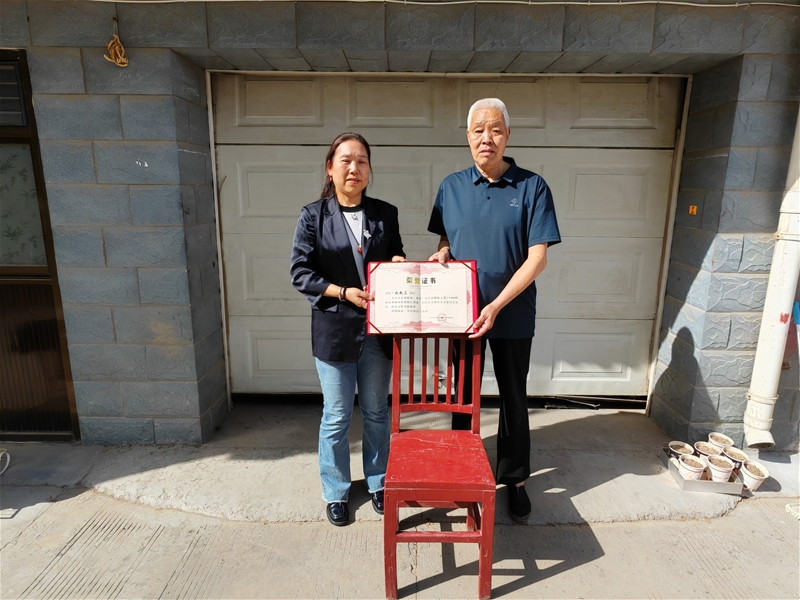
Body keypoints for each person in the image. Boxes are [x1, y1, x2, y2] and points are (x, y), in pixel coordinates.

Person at [428, 98, 561, 524]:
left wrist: (497, 304)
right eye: (478, 130)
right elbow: (446, 240)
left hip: (512, 314)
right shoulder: (450, 187)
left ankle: (515, 479)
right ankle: (460, 470)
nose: (487, 137)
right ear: (467, 137)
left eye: (496, 129)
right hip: (462, 315)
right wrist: (442, 252)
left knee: (513, 397)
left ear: (507, 136)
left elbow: (537, 258)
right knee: (461, 397)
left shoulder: (532, 187)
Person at [290, 132, 406, 527]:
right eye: (345, 160)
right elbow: (300, 273)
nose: (354, 168)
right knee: (337, 416)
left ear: (369, 170)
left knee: (376, 412)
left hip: (378, 329)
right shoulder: (313, 216)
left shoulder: (385, 213)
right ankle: (336, 490)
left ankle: (378, 481)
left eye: (361, 161)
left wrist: (398, 261)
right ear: (330, 168)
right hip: (335, 331)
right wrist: (342, 292)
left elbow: (395, 253)